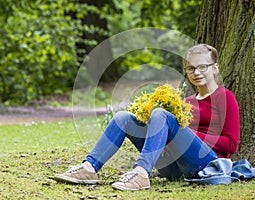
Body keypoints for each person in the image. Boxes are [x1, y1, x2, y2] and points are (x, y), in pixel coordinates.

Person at [54, 44, 240, 191]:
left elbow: (231, 144)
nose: (196, 73)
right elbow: (172, 135)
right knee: (123, 118)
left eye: (202, 67)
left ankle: (141, 173)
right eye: (191, 68)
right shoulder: (187, 101)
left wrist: (185, 133)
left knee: (161, 114)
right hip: (174, 167)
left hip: (206, 164)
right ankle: (89, 168)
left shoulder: (225, 98)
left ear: (215, 68)